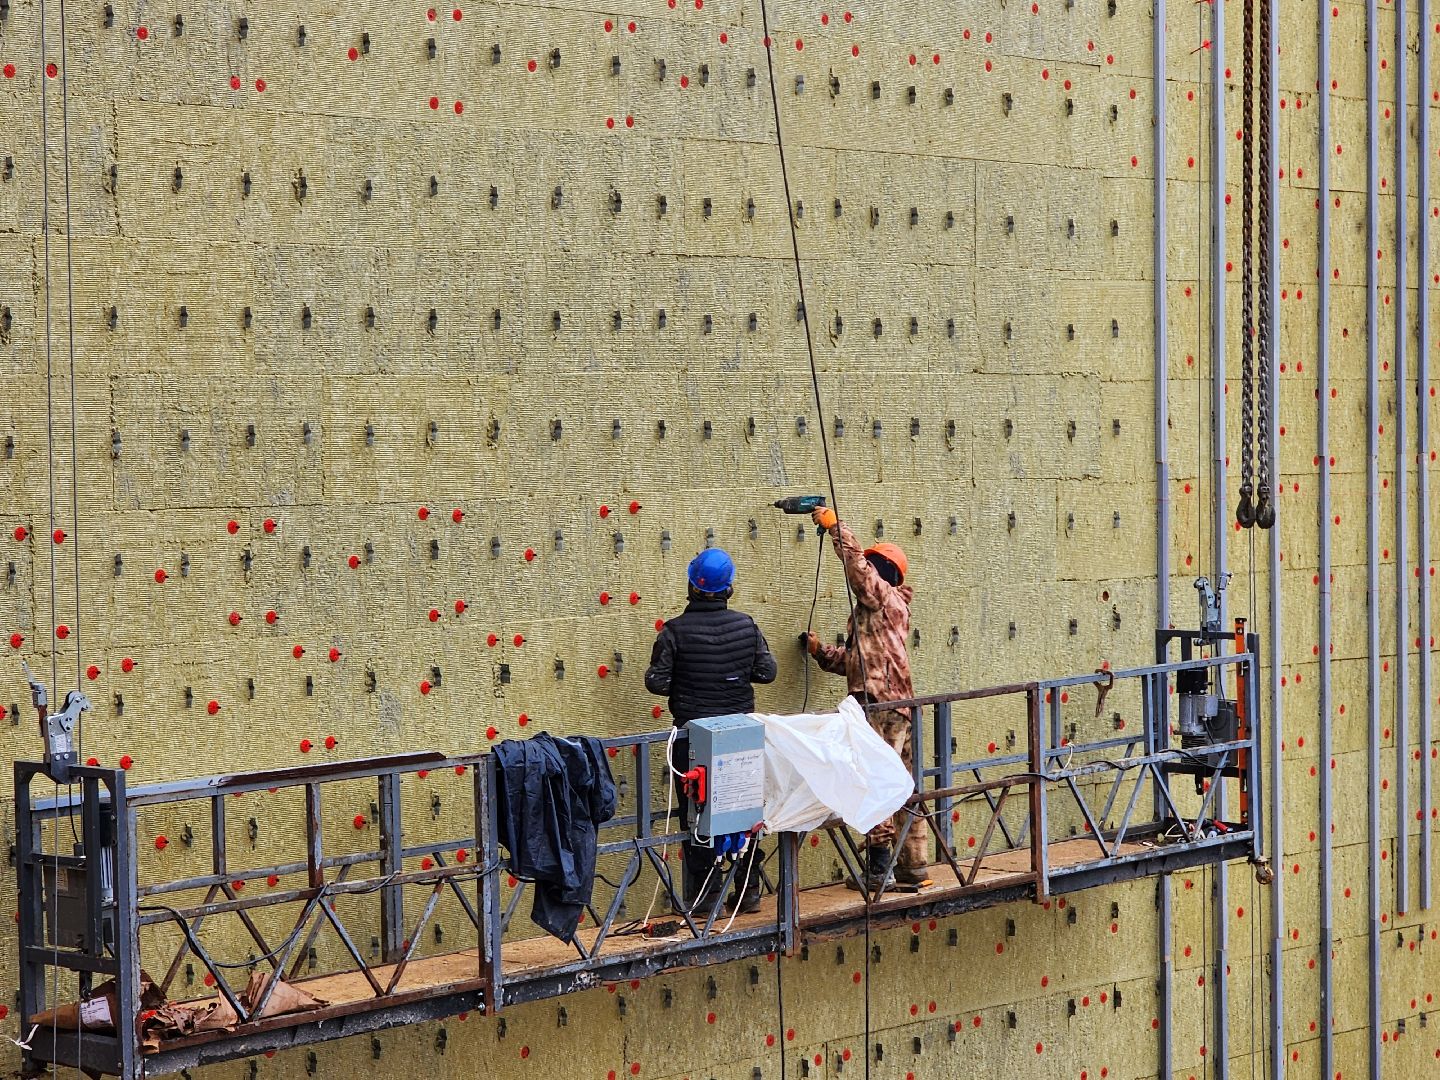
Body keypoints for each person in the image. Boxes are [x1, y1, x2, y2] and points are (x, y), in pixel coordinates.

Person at [801, 505, 927, 891]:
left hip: (881, 706)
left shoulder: (884, 599)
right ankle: (913, 863)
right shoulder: (877, 613)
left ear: (884, 572)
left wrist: (836, 526)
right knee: (901, 783)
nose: (866, 572)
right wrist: (822, 652)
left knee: (875, 782)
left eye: (874, 567)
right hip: (892, 703)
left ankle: (880, 869)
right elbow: (858, 661)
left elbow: (858, 568)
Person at [645, 548, 778, 914]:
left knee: (698, 816)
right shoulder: (746, 626)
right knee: (745, 813)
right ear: (728, 589)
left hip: (692, 742)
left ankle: (705, 899)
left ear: (691, 585)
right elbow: (767, 672)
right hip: (741, 738)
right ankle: (749, 892)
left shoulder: (673, 631)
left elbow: (656, 682)